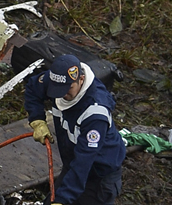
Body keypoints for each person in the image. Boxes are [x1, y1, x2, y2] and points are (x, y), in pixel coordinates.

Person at [24, 55, 125, 205]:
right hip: (72, 164)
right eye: (57, 89)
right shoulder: (58, 80)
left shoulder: (95, 114)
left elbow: (83, 162)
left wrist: (63, 200)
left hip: (98, 175)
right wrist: (37, 120)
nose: (63, 94)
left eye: (68, 88)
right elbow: (33, 87)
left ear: (81, 79)